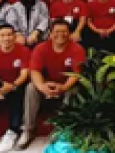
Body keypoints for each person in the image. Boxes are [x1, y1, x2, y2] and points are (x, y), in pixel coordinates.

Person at [17, 19, 86, 150]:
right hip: (46, 84)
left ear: (69, 33)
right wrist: (42, 86)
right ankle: (28, 130)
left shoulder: (77, 49)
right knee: (31, 88)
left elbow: (76, 74)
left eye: (64, 32)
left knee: (74, 90)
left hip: (66, 85)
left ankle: (63, 128)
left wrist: (63, 87)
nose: (60, 35)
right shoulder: (41, 48)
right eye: (57, 32)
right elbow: (35, 71)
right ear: (50, 33)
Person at [0, 24, 31, 153]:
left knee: (18, 93)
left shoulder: (24, 51)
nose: (6, 38)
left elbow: (24, 74)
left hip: (17, 83)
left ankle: (12, 131)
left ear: (15, 36)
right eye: (2, 35)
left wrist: (12, 86)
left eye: (9, 35)